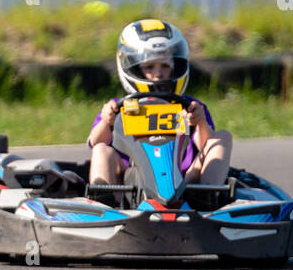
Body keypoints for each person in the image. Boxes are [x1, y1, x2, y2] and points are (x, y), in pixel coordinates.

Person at [86, 19, 232, 189]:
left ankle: (209, 193)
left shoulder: (191, 107)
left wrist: (200, 123)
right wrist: (106, 121)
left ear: (175, 66)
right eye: (149, 67)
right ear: (134, 68)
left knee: (222, 137)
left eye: (165, 65)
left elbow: (204, 146)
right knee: (102, 150)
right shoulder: (117, 107)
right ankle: (104, 199)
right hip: (130, 185)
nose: (158, 74)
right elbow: (96, 142)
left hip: (186, 183)